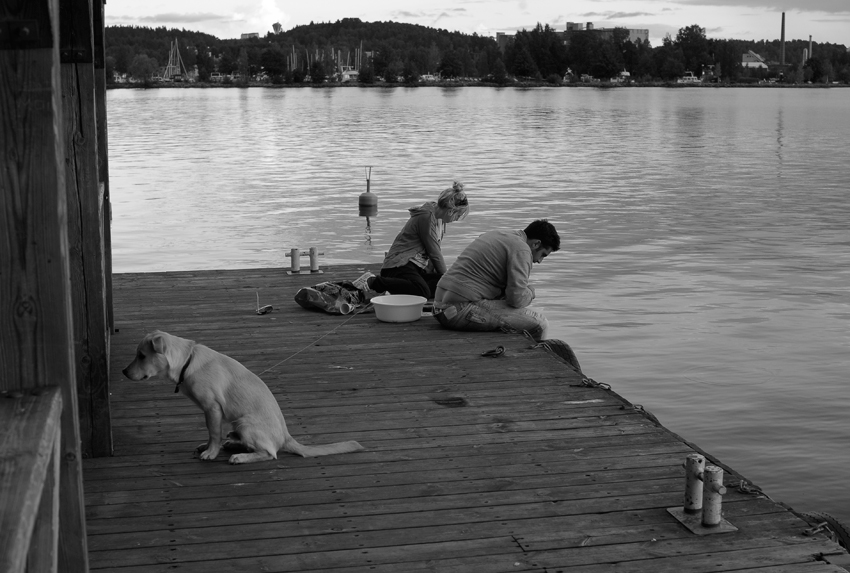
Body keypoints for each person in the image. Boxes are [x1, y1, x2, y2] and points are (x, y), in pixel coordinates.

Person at [433, 219, 559, 342]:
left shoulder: (497, 234)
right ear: (536, 244)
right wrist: (531, 292)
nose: (539, 261)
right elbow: (516, 299)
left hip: (438, 308)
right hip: (459, 312)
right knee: (540, 323)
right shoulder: (522, 249)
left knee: (512, 308)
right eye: (543, 254)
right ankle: (533, 359)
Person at [368, 182, 469, 300]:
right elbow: (434, 253)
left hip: (416, 268)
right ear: (451, 211)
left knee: (444, 287)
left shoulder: (440, 220)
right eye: (458, 215)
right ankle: (374, 282)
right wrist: (446, 278)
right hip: (399, 266)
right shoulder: (426, 217)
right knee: (423, 291)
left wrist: (445, 281)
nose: (457, 219)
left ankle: (400, 288)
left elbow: (434, 254)